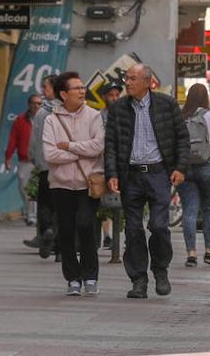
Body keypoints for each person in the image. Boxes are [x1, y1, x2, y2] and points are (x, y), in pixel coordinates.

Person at [104, 64, 190, 300]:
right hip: (130, 175)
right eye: (126, 78)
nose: (127, 83)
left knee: (159, 226)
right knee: (132, 230)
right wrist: (111, 173)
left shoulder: (166, 104)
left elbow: (183, 138)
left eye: (132, 79)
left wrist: (180, 168)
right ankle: (138, 279)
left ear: (147, 81)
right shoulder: (119, 108)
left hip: (158, 173)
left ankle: (160, 270)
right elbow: (110, 143)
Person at [43, 72, 105, 297]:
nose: (82, 91)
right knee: (66, 231)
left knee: (86, 226)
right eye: (76, 88)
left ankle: (90, 276)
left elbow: (98, 146)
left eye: (82, 87)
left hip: (88, 184)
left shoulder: (94, 116)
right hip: (61, 185)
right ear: (63, 94)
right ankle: (73, 279)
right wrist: (81, 151)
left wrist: (68, 147)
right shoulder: (52, 120)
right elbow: (50, 154)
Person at [178, 83, 210, 268]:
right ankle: (209, 252)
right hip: (208, 166)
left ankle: (191, 254)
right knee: (209, 209)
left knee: (189, 211)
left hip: (184, 168)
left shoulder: (181, 117)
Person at [27, 76, 60, 257]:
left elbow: (34, 139)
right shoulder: (66, 109)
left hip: (45, 166)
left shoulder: (40, 113)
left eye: (45, 86)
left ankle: (46, 229)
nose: (43, 89)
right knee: (61, 205)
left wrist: (34, 157)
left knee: (45, 203)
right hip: (63, 166)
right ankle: (59, 243)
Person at [5, 93, 41, 225]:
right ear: (29, 104)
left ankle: (34, 216)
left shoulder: (46, 120)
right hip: (25, 161)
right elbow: (13, 140)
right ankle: (29, 213)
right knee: (24, 188)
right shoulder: (20, 120)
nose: (36, 105)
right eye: (34, 103)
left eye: (39, 103)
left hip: (42, 161)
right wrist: (8, 157)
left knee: (39, 190)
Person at [99, 79, 123, 249]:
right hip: (102, 162)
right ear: (104, 97)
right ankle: (107, 235)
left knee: (121, 202)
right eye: (111, 95)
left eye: (117, 95)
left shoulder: (126, 114)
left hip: (122, 163)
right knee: (104, 200)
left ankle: (119, 236)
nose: (114, 98)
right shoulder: (98, 116)